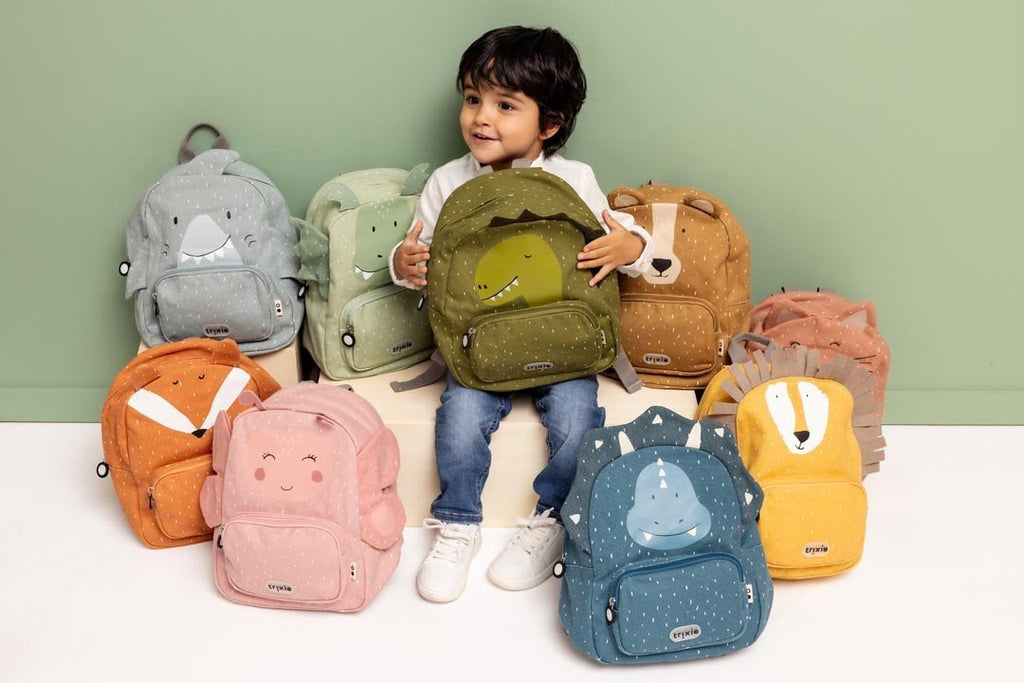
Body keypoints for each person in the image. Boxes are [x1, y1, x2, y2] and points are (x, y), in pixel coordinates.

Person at [389, 26, 653, 603]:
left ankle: (552, 519)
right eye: (473, 98)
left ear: (550, 123)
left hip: (564, 342)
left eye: (506, 105)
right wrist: (402, 263)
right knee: (459, 420)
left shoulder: (575, 180)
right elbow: (418, 253)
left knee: (577, 419)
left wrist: (629, 247)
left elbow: (633, 243)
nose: (482, 118)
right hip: (476, 347)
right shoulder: (447, 182)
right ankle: (457, 522)